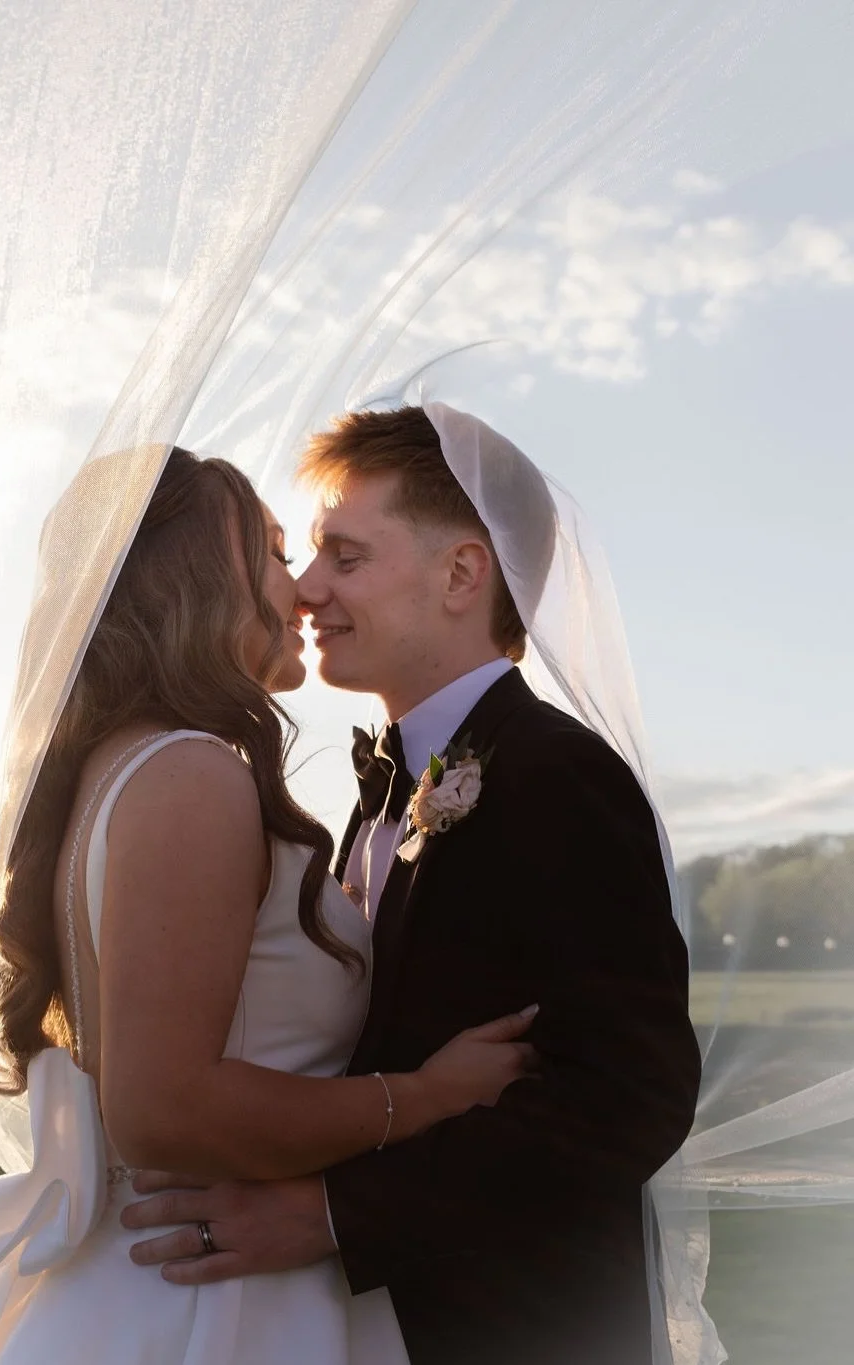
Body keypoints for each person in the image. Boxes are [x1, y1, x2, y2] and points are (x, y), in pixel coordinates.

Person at [0, 445, 538, 1365]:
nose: (301, 589)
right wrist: (424, 1097)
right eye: (276, 552)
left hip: (167, 1268)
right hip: (212, 1304)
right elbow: (161, 1108)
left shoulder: (122, 762)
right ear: (196, 572)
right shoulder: (189, 772)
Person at [123, 406, 703, 1365]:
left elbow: (630, 1094)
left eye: (345, 557)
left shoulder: (557, 773)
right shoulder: (382, 787)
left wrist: (333, 1214)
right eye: (309, 557)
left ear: (462, 574)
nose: (305, 590)